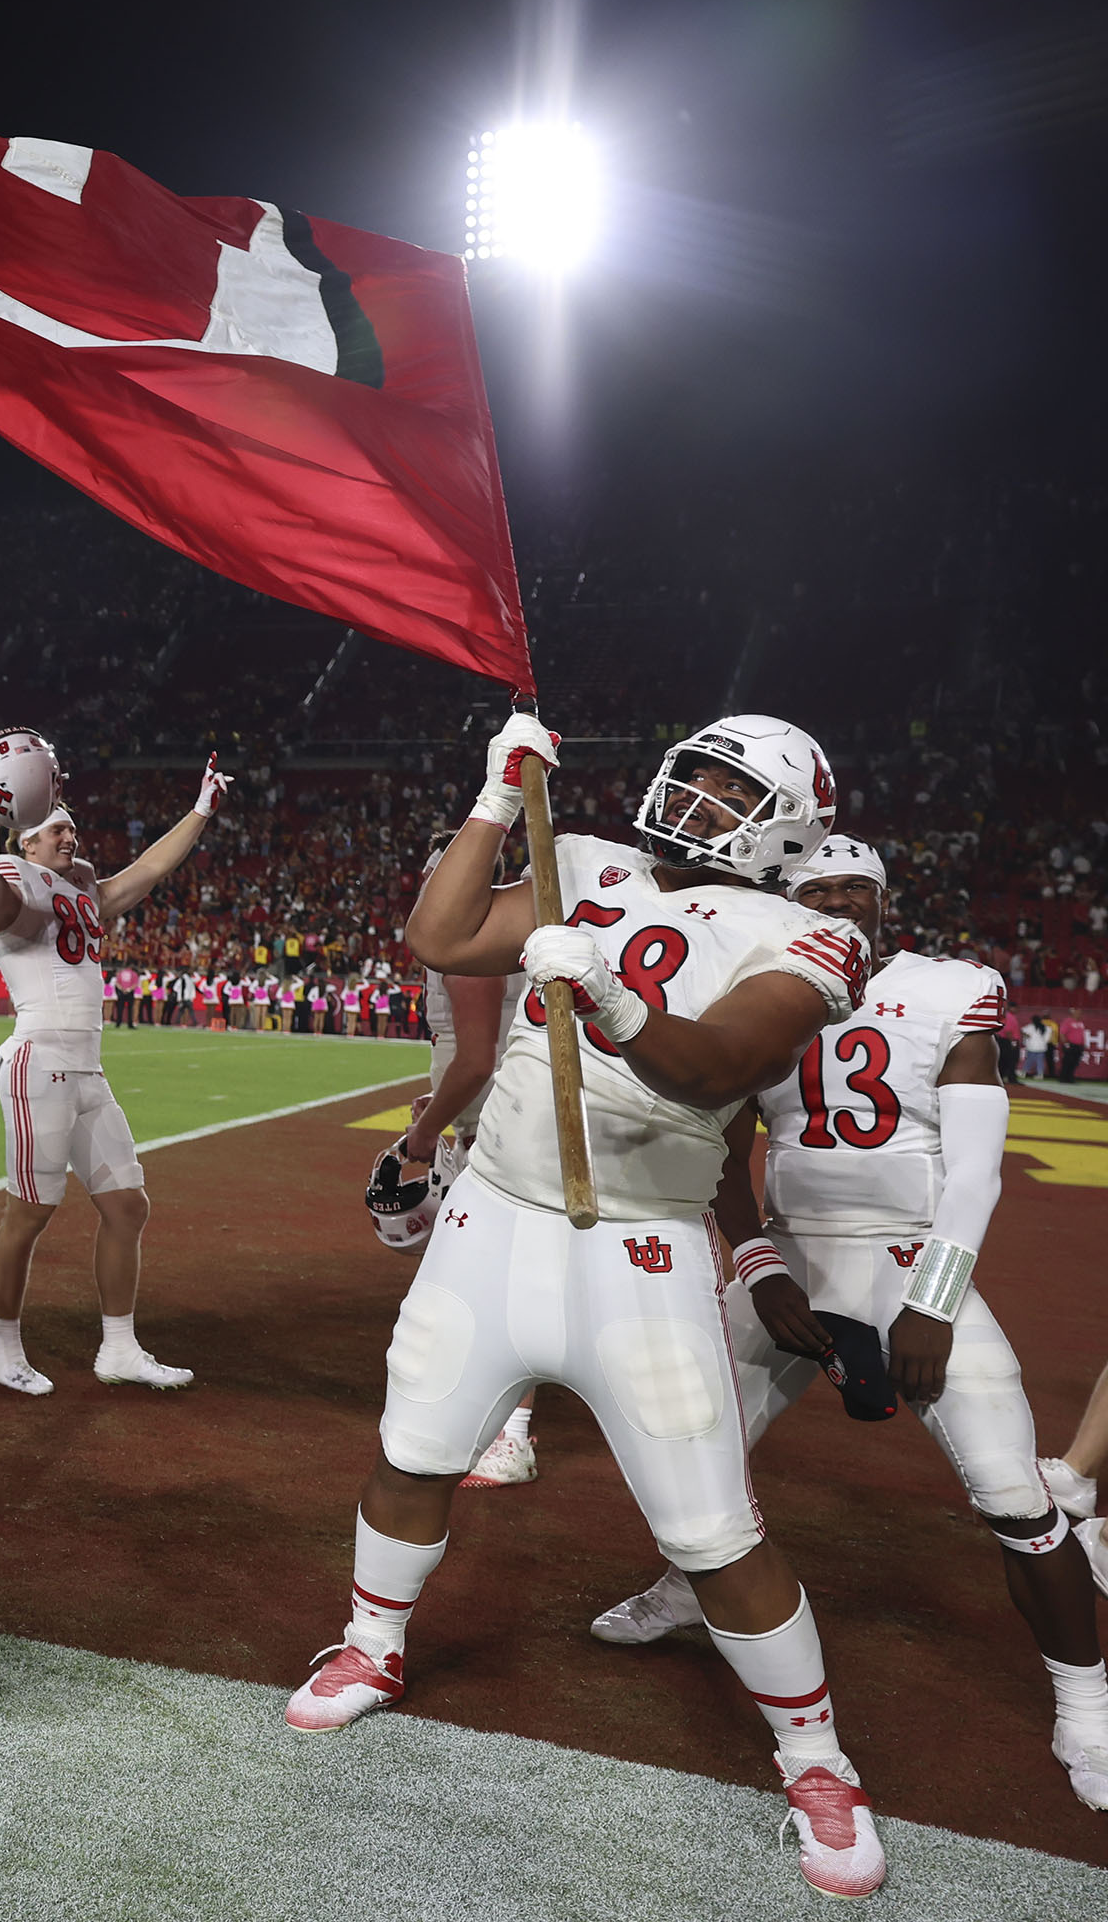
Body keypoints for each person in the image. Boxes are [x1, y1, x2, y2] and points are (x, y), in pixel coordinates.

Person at [285, 711, 888, 1901]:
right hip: (492, 1219)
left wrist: (610, 997)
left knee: (711, 1530)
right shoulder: (580, 855)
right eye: (697, 775)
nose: (700, 799)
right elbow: (439, 932)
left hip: (640, 1250)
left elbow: (719, 1065)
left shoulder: (815, 935)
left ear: (790, 828)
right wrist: (500, 796)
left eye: (732, 791)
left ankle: (819, 1761)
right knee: (413, 1449)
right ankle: (374, 1644)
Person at [580, 837, 1108, 1808]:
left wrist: (935, 1302)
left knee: (1015, 1498)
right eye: (813, 889)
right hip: (790, 1249)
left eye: (850, 888)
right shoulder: (766, 983)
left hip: (912, 1254)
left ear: (882, 898)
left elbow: (980, 1170)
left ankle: (1088, 1700)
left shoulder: (949, 987)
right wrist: (759, 1263)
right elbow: (725, 1143)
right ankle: (686, 1584)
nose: (834, 902)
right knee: (688, 1439)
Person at [0, 764, 226, 1397]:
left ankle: (119, 1346)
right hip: (38, 1063)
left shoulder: (81, 890)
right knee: (29, 1213)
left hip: (86, 1069)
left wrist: (201, 810)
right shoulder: (12, 875)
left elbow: (149, 870)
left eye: (72, 828)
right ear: (25, 840)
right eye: (54, 828)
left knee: (128, 1205)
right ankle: (2, 1347)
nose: (68, 835)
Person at [391, 833, 536, 1489]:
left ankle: (512, 1433)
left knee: (500, 1275)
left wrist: (427, 1133)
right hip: (499, 1104)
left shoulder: (470, 939)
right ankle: (495, 1416)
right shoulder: (497, 928)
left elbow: (476, 1057)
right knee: (495, 1270)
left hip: (499, 1112)